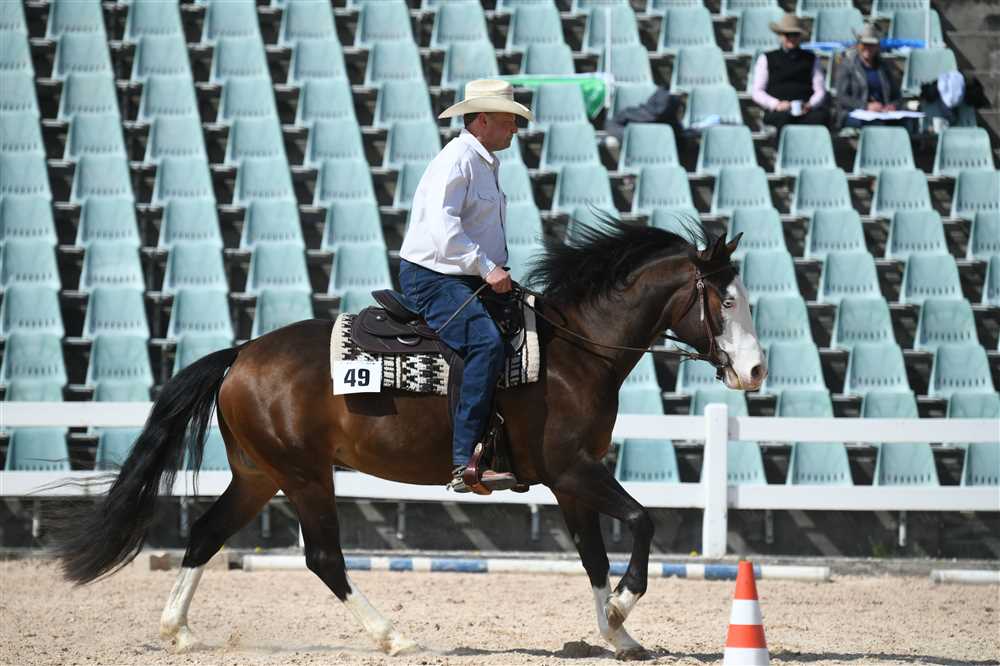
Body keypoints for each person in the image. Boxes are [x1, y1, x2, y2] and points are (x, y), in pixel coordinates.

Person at [398, 79, 532, 493]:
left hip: (461, 274)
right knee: (485, 344)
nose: (515, 129)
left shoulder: (483, 161)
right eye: (509, 120)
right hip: (433, 276)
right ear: (483, 120)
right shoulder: (457, 160)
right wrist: (487, 267)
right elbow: (444, 229)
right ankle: (464, 462)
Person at [751, 13, 830, 134]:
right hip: (778, 111)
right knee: (784, 119)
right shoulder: (766, 58)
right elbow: (757, 91)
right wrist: (776, 104)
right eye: (788, 35)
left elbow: (820, 90)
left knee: (821, 118)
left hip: (805, 109)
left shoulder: (811, 59)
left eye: (795, 35)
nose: (791, 38)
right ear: (780, 36)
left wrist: (810, 105)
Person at [833, 23, 903, 130]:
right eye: (864, 44)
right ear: (858, 45)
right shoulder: (847, 66)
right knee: (877, 124)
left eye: (872, 45)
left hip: (883, 112)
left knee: (905, 123)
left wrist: (893, 106)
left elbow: (897, 95)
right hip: (854, 113)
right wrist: (866, 106)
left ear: (877, 46)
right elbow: (842, 97)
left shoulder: (884, 67)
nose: (868, 48)